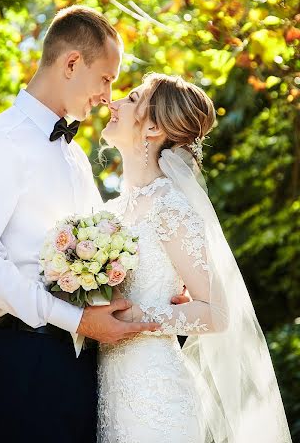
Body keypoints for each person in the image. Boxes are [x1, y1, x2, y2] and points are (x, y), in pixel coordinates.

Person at [0, 6, 184, 443]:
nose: (108, 95)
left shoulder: (74, 156)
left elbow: (102, 255)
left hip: (84, 365)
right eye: (105, 78)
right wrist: (75, 320)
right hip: (29, 361)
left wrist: (157, 286)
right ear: (72, 63)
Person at [98, 73, 292, 443]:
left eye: (131, 98)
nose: (115, 103)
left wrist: (145, 317)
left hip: (156, 397)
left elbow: (217, 313)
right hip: (111, 388)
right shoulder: (111, 210)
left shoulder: (169, 207)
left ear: (153, 127)